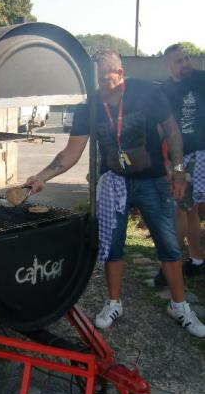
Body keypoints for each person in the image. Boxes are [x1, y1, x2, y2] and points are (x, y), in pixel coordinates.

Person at [25, 49, 205, 338]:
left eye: (103, 79)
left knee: (169, 246)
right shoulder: (90, 106)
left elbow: (172, 129)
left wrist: (180, 170)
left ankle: (179, 306)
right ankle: (113, 302)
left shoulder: (146, 92)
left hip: (153, 181)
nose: (97, 87)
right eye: (93, 80)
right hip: (114, 181)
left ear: (119, 74)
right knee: (113, 246)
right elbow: (70, 153)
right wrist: (42, 177)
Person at [154, 44, 205, 286]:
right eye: (179, 61)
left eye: (186, 59)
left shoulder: (202, 80)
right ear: (168, 65)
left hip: (198, 155)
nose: (185, 64)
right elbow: (160, 127)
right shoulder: (163, 90)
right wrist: (160, 157)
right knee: (190, 209)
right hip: (178, 157)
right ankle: (197, 262)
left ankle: (169, 268)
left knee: (181, 209)